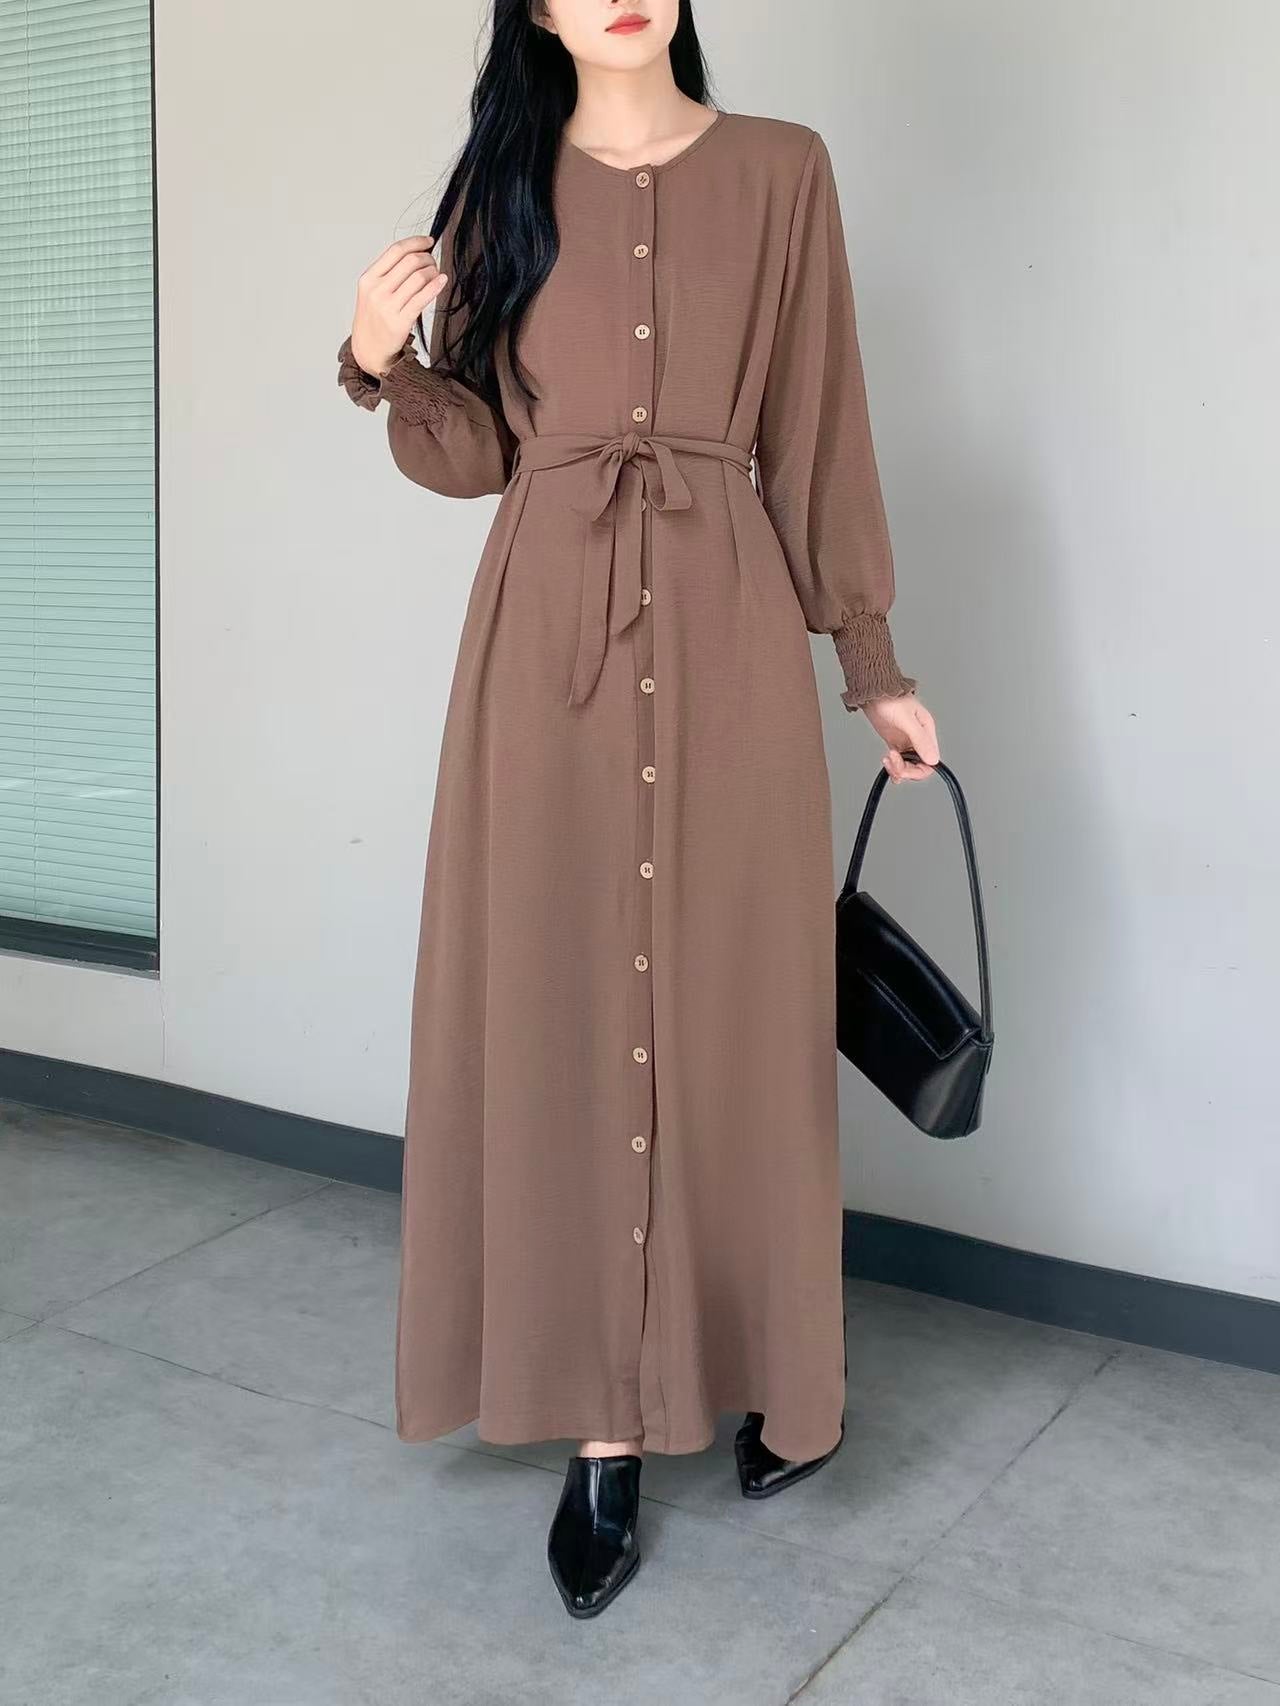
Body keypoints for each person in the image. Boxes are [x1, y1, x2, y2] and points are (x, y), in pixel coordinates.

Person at [336, 0, 940, 1621]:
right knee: (562, 1010)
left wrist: (870, 663)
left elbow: (819, 422)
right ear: (533, 5)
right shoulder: (499, 190)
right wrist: (379, 361)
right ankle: (604, 1424)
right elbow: (474, 456)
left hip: (732, 634)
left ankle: (777, 1378)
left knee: (742, 1014)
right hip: (549, 651)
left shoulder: (783, 171)